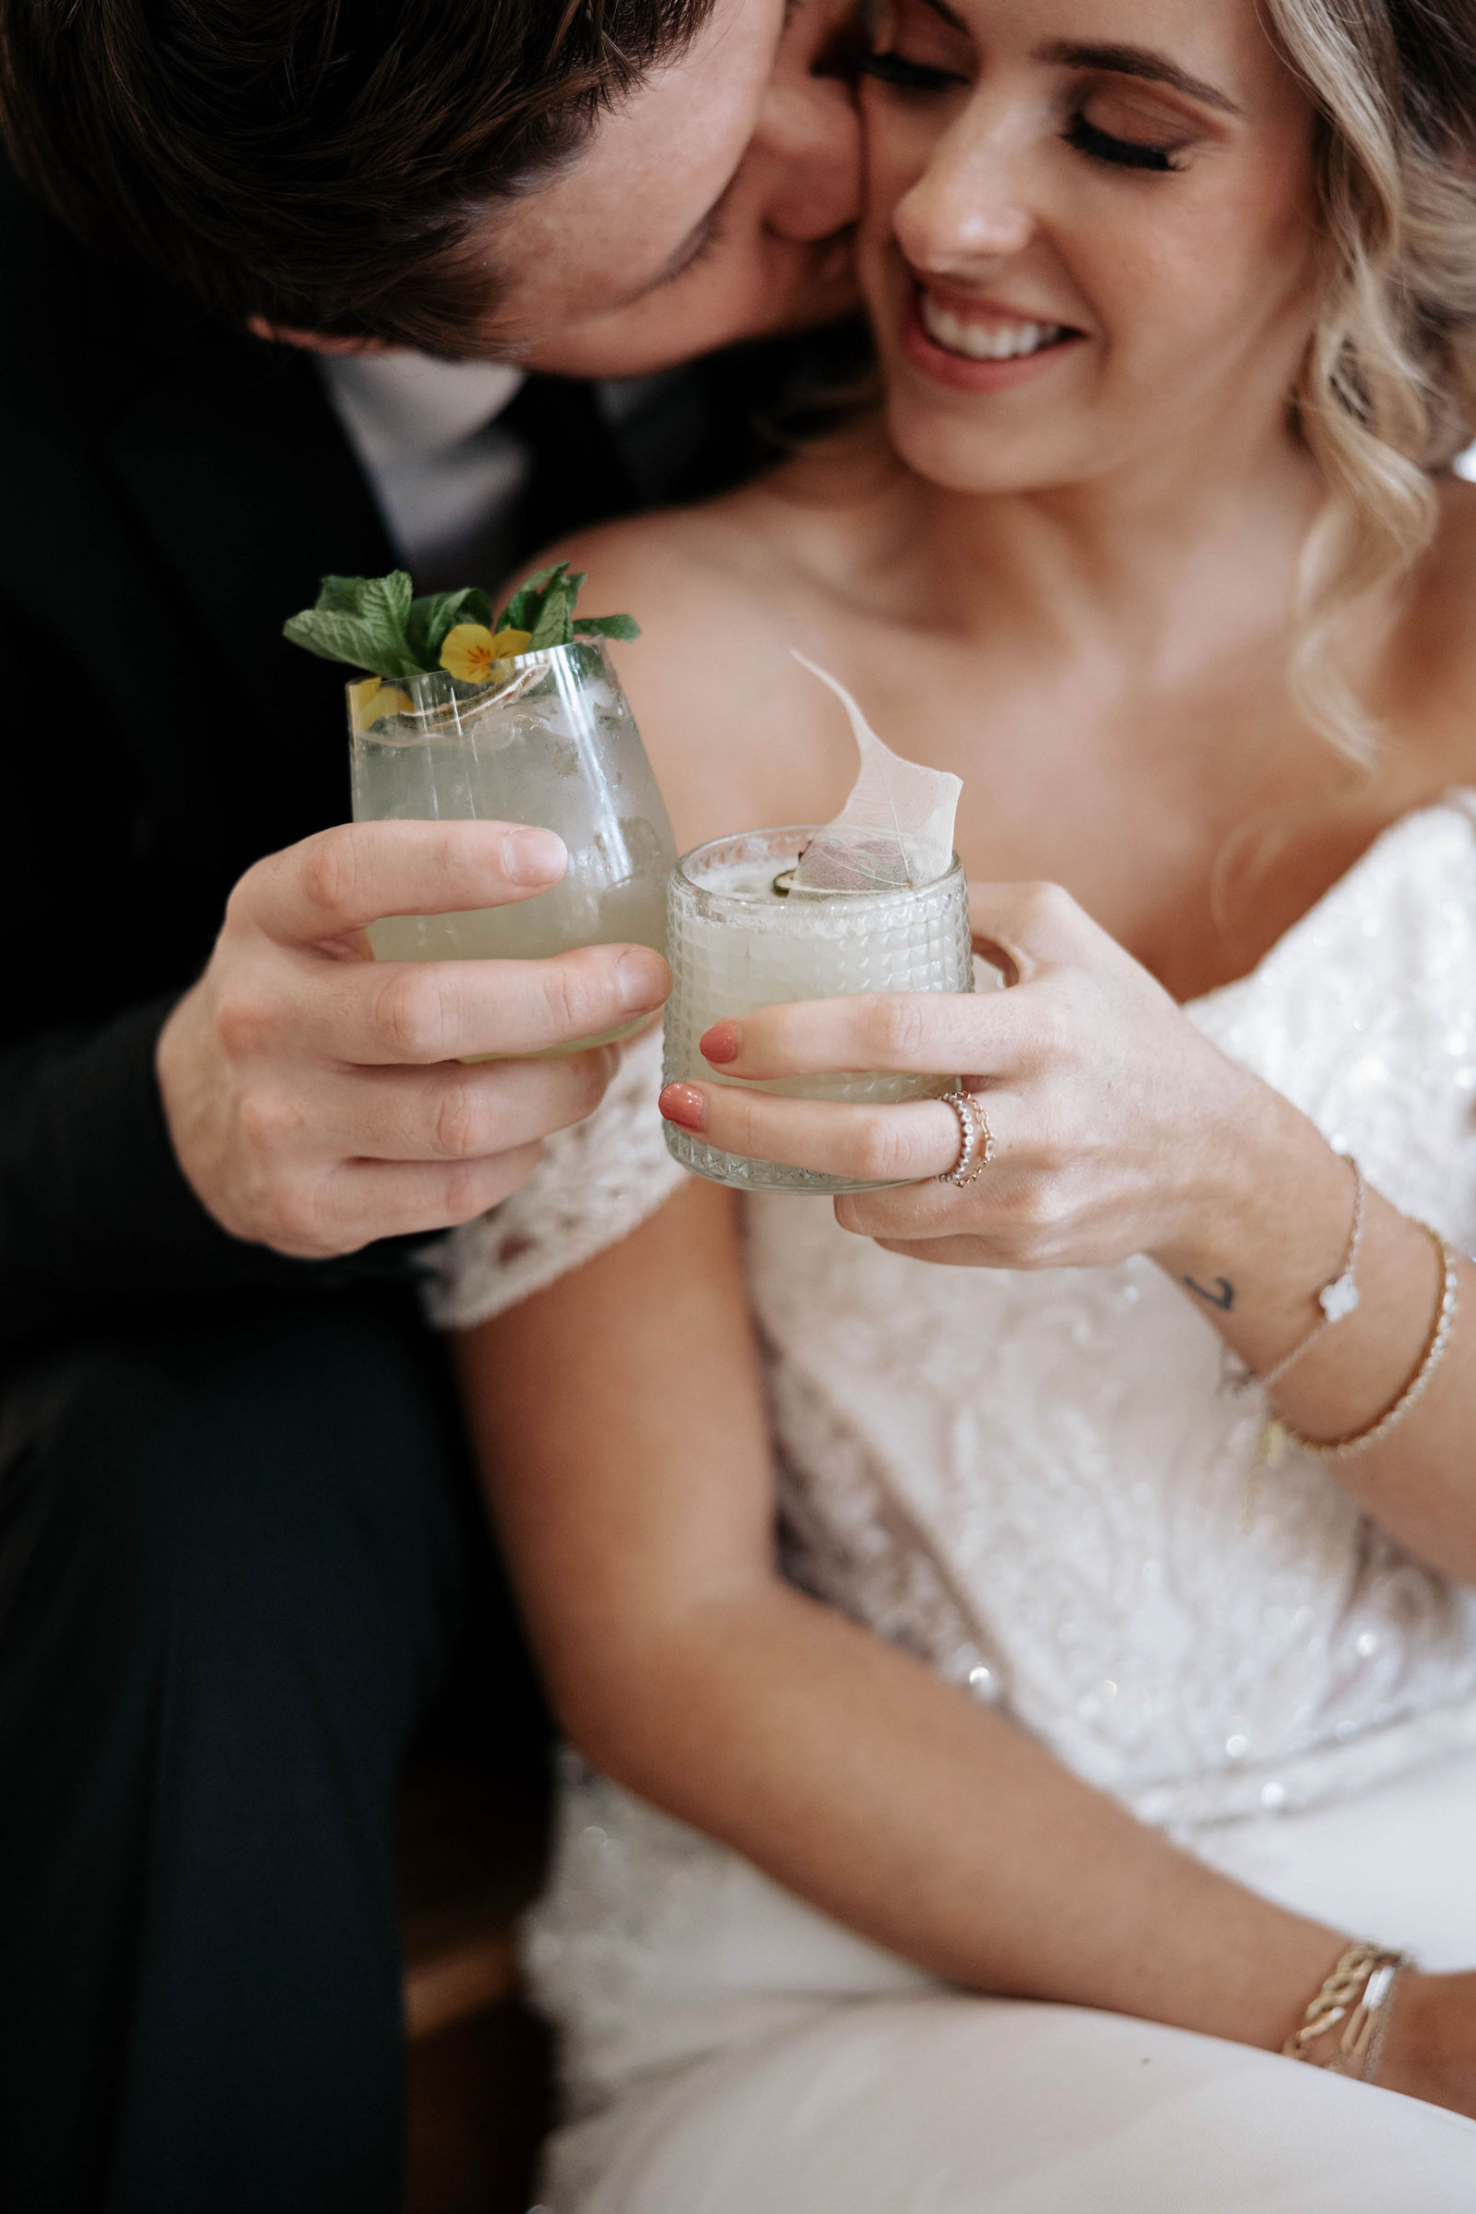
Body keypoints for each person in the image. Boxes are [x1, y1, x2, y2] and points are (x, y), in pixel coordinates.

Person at [441, 0, 1476, 2202]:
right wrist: (1372, 2027)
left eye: (1118, 129)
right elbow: (669, 1632)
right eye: (911, 61)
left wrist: (1255, 1196)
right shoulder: (599, 686)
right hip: (897, 1968)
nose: (943, 205)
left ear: (1371, 182)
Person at [0, 2, 862, 2207]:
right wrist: (167, 1121)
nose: (871, 168)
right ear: (311, 316)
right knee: (185, 1505)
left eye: (831, 33)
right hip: (340, 1346)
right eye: (691, 244)